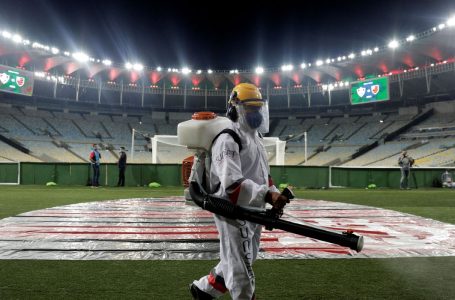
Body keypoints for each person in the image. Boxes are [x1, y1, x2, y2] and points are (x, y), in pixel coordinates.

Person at [189, 83, 289, 300]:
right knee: (241, 269)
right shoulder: (228, 139)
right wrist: (267, 195)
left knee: (245, 258)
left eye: (258, 108)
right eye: (251, 108)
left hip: (253, 208)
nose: (256, 113)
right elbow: (232, 186)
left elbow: (264, 176)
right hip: (233, 211)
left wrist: (273, 193)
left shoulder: (257, 138)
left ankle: (204, 289)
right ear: (235, 108)